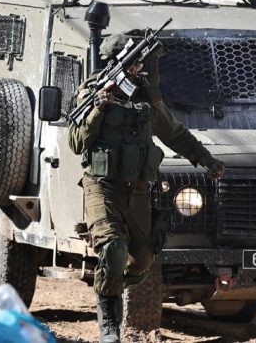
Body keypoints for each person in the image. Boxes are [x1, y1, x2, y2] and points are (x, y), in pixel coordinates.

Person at [68, 31, 224, 343]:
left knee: (142, 258)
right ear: (116, 62)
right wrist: (99, 106)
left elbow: (174, 134)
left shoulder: (146, 96)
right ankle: (109, 328)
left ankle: (109, 280)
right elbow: (76, 142)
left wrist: (207, 160)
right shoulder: (92, 90)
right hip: (103, 186)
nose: (138, 69)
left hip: (137, 189)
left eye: (140, 63)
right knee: (112, 248)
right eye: (133, 64)